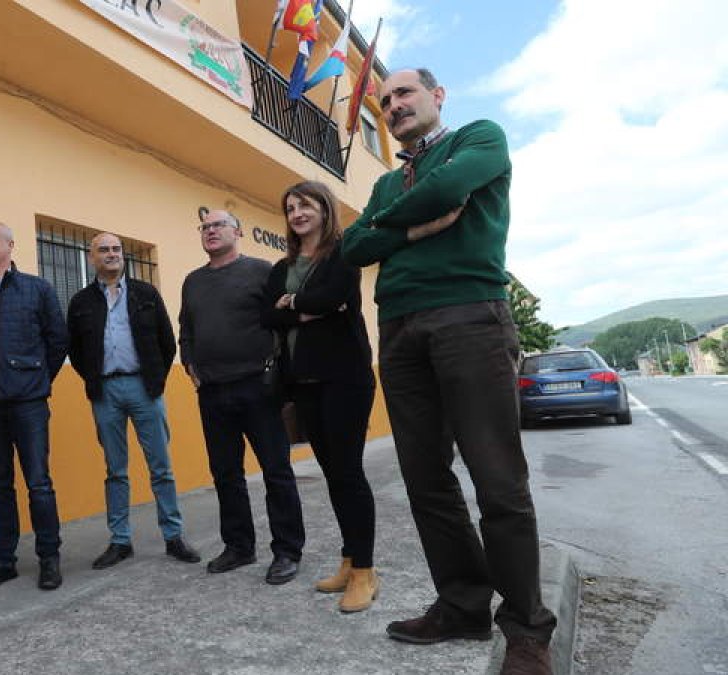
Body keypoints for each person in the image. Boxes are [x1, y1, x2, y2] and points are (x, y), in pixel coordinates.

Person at [340, 68, 556, 673]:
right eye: (385, 101)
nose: (393, 105)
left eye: (404, 93)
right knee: (425, 480)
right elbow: (352, 248)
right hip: (400, 331)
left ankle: (527, 632)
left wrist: (384, 233)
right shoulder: (386, 184)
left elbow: (446, 192)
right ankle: (462, 604)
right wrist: (407, 228)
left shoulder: (479, 139)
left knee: (498, 482)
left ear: (437, 96)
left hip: (470, 317)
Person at [261, 181, 378, 612]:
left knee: (348, 472)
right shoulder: (282, 265)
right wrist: (302, 308)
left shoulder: (344, 254)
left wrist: (296, 305)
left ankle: (365, 571)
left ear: (324, 209)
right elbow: (266, 314)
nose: (296, 213)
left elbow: (333, 297)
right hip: (304, 383)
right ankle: (349, 561)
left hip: (345, 378)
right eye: (290, 207)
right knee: (333, 474)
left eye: (305, 204)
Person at [179, 209, 306, 585]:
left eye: (218, 225)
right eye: (205, 226)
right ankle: (239, 546)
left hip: (258, 385)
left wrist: (281, 371)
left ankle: (287, 550)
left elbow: (281, 320)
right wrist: (189, 363)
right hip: (212, 391)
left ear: (237, 232)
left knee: (276, 470)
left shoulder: (261, 271)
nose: (210, 231)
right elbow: (186, 327)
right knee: (225, 474)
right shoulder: (192, 281)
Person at [66, 232, 201, 570]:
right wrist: (97, 380)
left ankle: (173, 536)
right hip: (106, 392)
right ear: (91, 258)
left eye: (116, 249)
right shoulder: (81, 302)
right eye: (103, 250)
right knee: (115, 471)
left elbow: (167, 341)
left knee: (161, 467)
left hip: (144, 388)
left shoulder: (145, 293)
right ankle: (120, 541)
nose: (111, 254)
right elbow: (77, 351)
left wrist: (154, 381)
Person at [0, 222, 68, 592]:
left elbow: (57, 341)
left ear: (10, 245)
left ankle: (49, 559)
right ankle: (3, 562)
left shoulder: (38, 289)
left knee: (39, 484)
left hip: (29, 403)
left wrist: (36, 380)